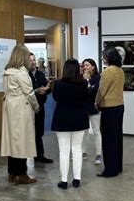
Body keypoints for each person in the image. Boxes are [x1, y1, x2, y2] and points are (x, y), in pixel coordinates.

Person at [1, 44, 39, 185]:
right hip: (21, 108)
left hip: (9, 106)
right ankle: (21, 174)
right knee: (22, 140)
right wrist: (36, 106)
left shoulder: (7, 70)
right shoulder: (21, 72)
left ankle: (12, 172)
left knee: (12, 140)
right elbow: (29, 92)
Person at [51, 59, 89, 189]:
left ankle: (64, 181)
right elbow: (86, 98)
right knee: (77, 150)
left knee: (64, 151)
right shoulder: (83, 84)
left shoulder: (57, 84)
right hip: (79, 119)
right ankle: (77, 179)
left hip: (62, 119)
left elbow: (55, 98)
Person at [95, 48, 125, 177]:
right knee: (117, 138)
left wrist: (96, 102)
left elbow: (101, 90)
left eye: (104, 57)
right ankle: (117, 166)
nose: (102, 59)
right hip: (119, 106)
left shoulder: (108, 72)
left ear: (109, 57)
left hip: (109, 107)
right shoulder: (120, 70)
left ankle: (110, 170)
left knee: (108, 139)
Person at [28, 53, 53, 164]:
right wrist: (37, 90)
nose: (33, 62)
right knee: (30, 132)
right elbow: (27, 91)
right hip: (29, 107)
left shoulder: (40, 74)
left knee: (39, 131)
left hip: (40, 106)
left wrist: (47, 88)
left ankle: (39, 155)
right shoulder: (25, 75)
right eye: (31, 60)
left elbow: (47, 88)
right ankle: (31, 154)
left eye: (34, 60)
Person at [81, 58, 102, 165]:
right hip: (84, 108)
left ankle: (99, 154)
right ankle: (83, 152)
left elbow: (92, 91)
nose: (85, 67)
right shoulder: (81, 78)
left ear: (93, 66)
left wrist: (87, 82)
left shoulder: (97, 77)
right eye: (84, 65)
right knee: (84, 132)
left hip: (94, 108)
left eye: (87, 65)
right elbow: (81, 92)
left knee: (96, 131)